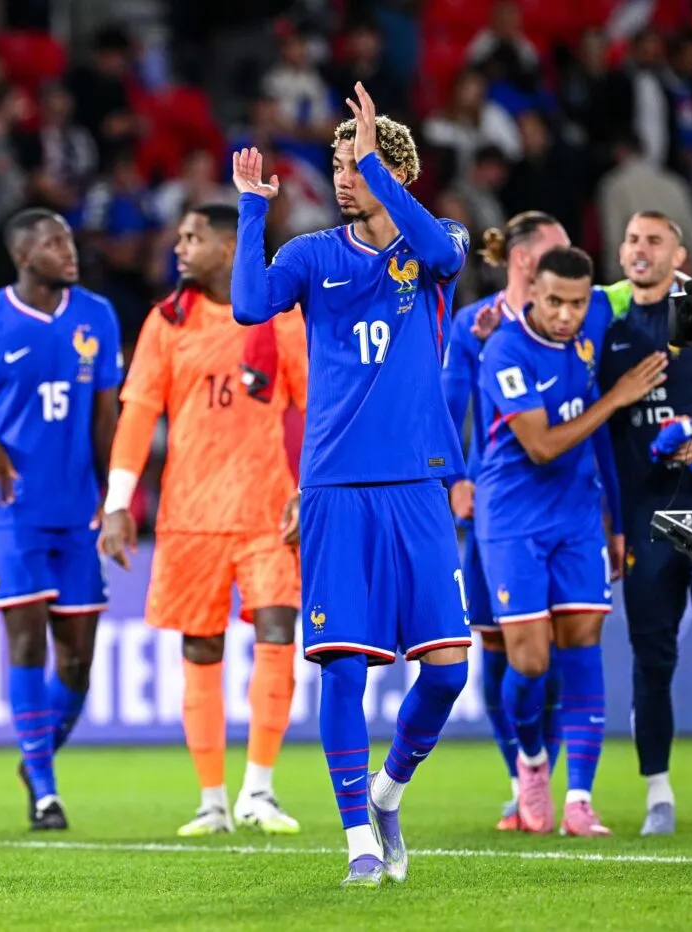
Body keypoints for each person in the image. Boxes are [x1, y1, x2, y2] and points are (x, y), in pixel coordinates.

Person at [231, 83, 473, 887]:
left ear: (395, 168)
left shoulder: (437, 243)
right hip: (335, 485)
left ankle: (388, 792)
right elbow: (246, 305)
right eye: (337, 163)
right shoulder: (310, 256)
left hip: (417, 484)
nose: (342, 177)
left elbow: (439, 255)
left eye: (357, 164)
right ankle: (357, 844)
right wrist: (251, 212)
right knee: (340, 665)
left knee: (447, 669)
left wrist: (375, 159)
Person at [98, 203, 307, 837]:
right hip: (190, 515)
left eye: (193, 237)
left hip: (270, 508)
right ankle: (212, 800)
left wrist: (310, 487)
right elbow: (137, 416)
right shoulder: (167, 322)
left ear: (226, 246)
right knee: (202, 648)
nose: (179, 246)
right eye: (180, 237)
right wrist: (116, 505)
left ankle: (259, 791)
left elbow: (314, 405)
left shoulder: (280, 316)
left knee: (278, 631)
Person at [476, 245, 666, 837]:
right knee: (529, 661)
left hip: (579, 516)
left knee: (584, 643)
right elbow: (542, 445)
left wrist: (612, 522)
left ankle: (579, 800)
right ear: (531, 290)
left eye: (577, 304)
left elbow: (636, 284)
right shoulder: (505, 349)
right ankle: (532, 762)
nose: (565, 314)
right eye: (554, 301)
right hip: (512, 517)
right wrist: (616, 398)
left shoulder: (593, 322)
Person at [0, 207, 121, 831]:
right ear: (23, 255)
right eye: (54, 242)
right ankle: (46, 791)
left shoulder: (98, 315)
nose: (70, 249)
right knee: (27, 641)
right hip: (12, 511)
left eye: (69, 239)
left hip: (77, 508)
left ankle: (35, 757)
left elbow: (107, 412)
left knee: (78, 663)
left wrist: (116, 494)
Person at [442, 211, 577, 830]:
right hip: (496, 510)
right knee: (500, 653)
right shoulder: (474, 324)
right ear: (524, 259)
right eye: (558, 250)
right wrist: (456, 478)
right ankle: (520, 778)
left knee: (548, 652)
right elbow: (446, 407)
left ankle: (547, 776)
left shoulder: (577, 319)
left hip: (566, 507)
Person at [598, 211, 692, 835]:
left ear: (678, 253)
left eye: (655, 242)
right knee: (652, 658)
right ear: (621, 250)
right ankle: (658, 796)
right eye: (634, 240)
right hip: (644, 517)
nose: (642, 251)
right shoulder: (605, 327)